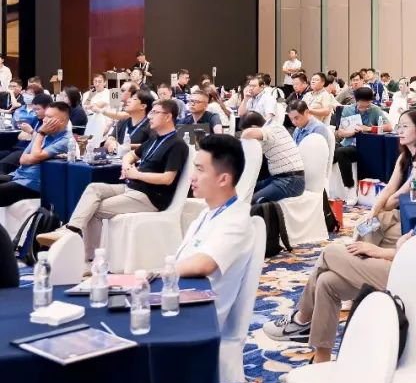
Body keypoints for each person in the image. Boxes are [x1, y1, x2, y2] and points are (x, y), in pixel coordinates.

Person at [264, 130, 416, 363]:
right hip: (411, 269)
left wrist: (381, 252)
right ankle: (321, 359)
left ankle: (301, 320)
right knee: (327, 282)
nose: (415, 164)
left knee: (330, 253)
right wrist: (402, 243)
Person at [38, 100, 190, 261]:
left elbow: (167, 179)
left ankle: (90, 258)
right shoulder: (154, 139)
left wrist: (137, 174)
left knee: (93, 209)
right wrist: (126, 166)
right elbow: (130, 155)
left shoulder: (177, 145)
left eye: (155, 113)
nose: (150, 116)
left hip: (151, 197)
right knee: (94, 188)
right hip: (133, 188)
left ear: (168, 116)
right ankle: (72, 230)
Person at [175, 134, 255, 327]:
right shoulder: (208, 212)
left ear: (223, 179)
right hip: (181, 300)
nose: (192, 176)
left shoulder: (237, 220)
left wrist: (158, 273)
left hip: (198, 318)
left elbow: (203, 264)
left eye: (200, 169)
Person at [0, 102, 71, 208]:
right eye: (45, 116)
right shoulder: (42, 133)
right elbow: (23, 159)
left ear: (62, 121)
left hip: (33, 184)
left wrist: (41, 134)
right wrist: (40, 137)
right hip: (18, 175)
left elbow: (35, 156)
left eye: (49, 117)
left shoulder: (66, 140)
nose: (44, 120)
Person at [238, 113, 307, 205]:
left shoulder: (271, 130)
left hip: (291, 181)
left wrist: (242, 139)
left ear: (254, 127)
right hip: (279, 178)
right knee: (249, 190)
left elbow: (248, 133)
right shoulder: (275, 126)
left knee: (251, 201)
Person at [334, 89, 393, 189]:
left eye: (368, 104)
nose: (365, 108)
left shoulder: (375, 110)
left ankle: (349, 186)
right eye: (362, 105)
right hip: (348, 142)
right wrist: (352, 133)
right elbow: (340, 132)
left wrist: (369, 128)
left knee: (341, 152)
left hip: (365, 145)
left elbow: (389, 127)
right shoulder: (348, 110)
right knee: (331, 151)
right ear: (356, 100)